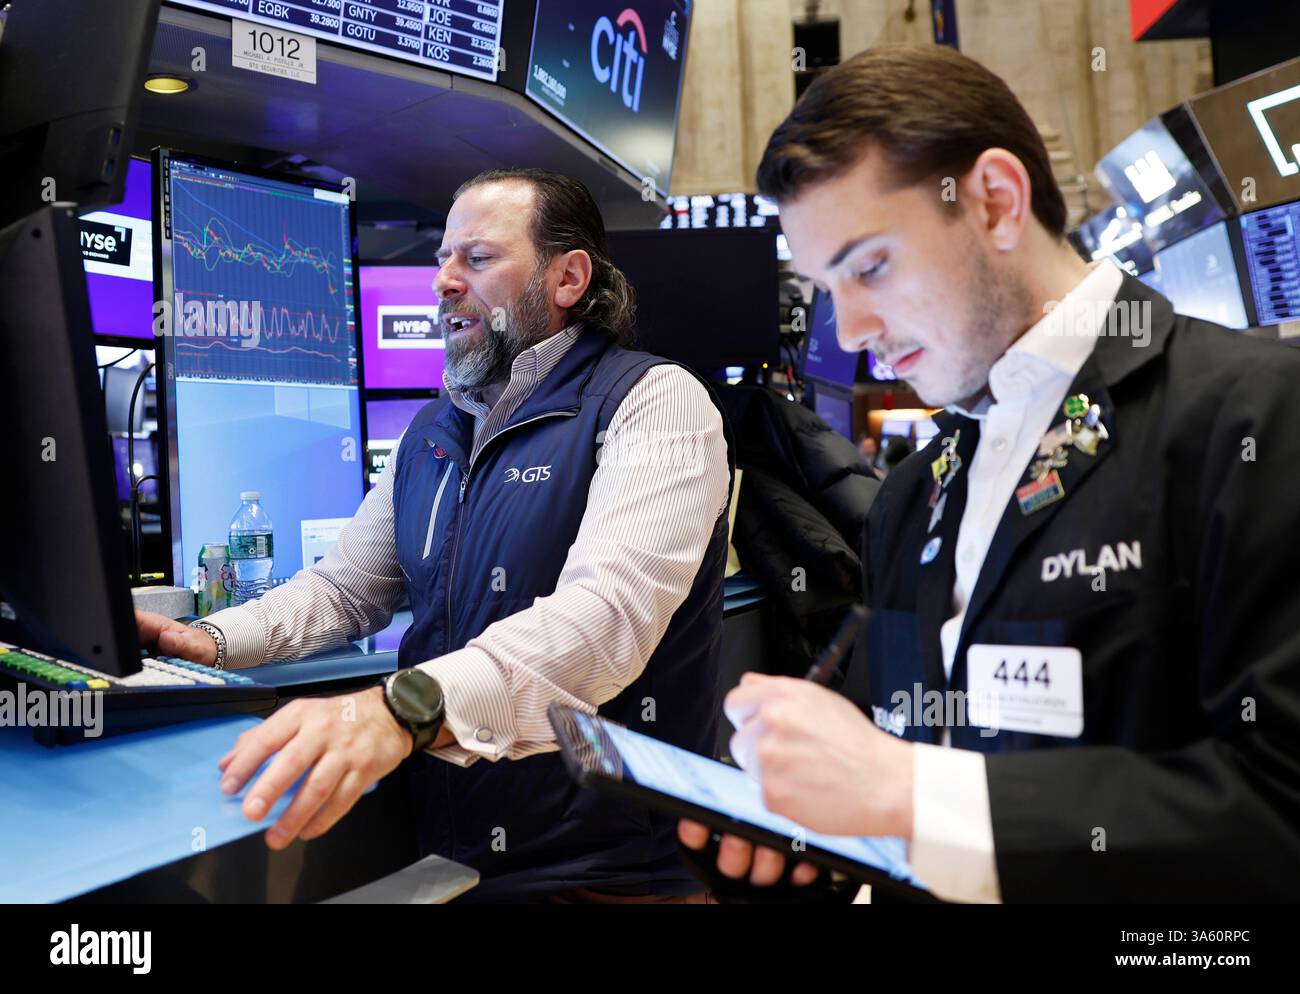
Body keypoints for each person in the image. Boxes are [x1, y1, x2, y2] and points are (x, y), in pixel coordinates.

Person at [681, 43, 1300, 902]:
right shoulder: (911, 491)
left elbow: (1278, 809)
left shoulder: (1256, 415)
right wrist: (805, 823)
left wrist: (904, 792)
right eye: (826, 287)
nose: (851, 328)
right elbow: (909, 749)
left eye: (869, 267)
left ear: (997, 202)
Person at [136, 168, 733, 902]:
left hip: (613, 874)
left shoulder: (655, 402)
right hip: (453, 861)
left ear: (569, 277)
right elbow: (344, 589)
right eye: (442, 260)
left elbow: (604, 620)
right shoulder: (435, 428)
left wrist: (404, 707)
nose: (443, 282)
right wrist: (211, 641)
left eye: (477, 260)